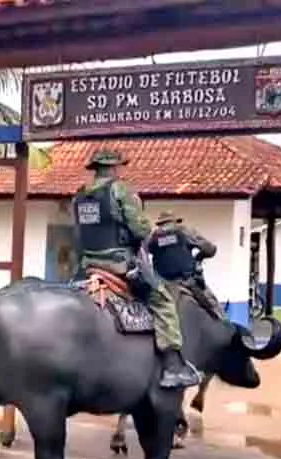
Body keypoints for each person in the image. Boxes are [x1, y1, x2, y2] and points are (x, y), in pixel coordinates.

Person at [71, 149, 201, 389]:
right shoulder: (120, 190)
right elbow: (140, 230)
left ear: (95, 168)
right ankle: (173, 366)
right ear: (114, 168)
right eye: (120, 167)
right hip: (119, 264)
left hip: (89, 265)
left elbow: (78, 233)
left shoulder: (79, 196)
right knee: (163, 301)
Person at [148, 210, 227, 322]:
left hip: (162, 285)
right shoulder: (185, 231)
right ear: (174, 221)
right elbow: (210, 249)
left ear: (160, 224)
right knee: (214, 307)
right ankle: (224, 326)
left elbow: (149, 251)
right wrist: (199, 258)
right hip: (187, 281)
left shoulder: (153, 237)